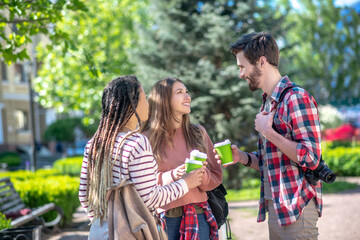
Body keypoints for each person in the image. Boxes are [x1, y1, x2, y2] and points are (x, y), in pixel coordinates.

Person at [219, 32, 323, 239]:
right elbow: (274, 163)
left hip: (297, 207)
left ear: (262, 62)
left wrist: (268, 131)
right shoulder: (268, 102)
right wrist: (243, 158)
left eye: (242, 67)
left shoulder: (296, 98)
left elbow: (311, 158)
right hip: (278, 206)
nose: (241, 74)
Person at [78, 75, 206, 239]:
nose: (148, 104)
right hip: (130, 233)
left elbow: (84, 195)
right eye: (144, 98)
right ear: (133, 104)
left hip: (99, 232)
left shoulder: (95, 144)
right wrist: (186, 183)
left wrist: (105, 223)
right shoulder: (137, 143)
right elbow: (151, 198)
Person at [142, 77, 223, 240]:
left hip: (199, 216)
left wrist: (201, 174)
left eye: (187, 92)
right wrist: (173, 176)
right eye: (180, 92)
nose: (187, 96)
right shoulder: (146, 138)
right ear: (163, 100)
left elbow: (216, 177)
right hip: (164, 218)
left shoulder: (198, 132)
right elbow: (142, 184)